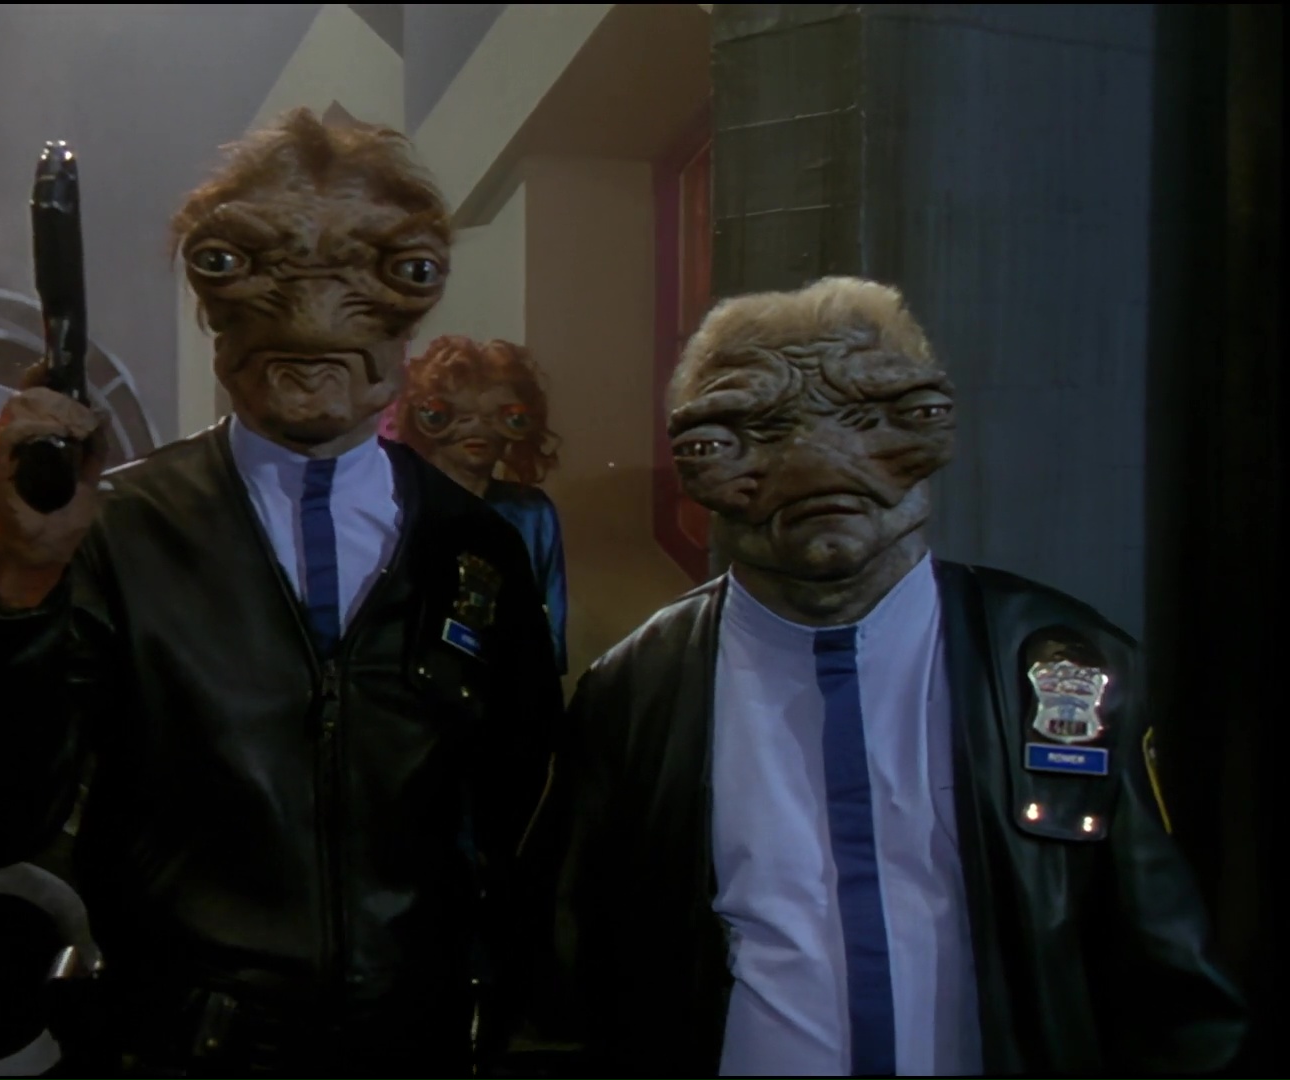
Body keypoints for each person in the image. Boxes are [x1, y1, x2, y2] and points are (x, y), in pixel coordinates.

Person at [0, 108, 562, 1076]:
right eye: (238, 265)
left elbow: (516, 802)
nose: (312, 319)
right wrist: (26, 579)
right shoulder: (121, 532)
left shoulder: (475, 547)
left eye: (388, 269)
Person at [524, 277, 1248, 1075]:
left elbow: (1167, 974)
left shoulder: (1059, 665)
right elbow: (566, 972)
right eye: (759, 431)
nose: (817, 463)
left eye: (867, 419)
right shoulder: (636, 691)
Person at [393, 335, 568, 674]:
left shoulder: (532, 514)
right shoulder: (396, 505)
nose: (476, 429)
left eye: (506, 416)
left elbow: (550, 640)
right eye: (443, 415)